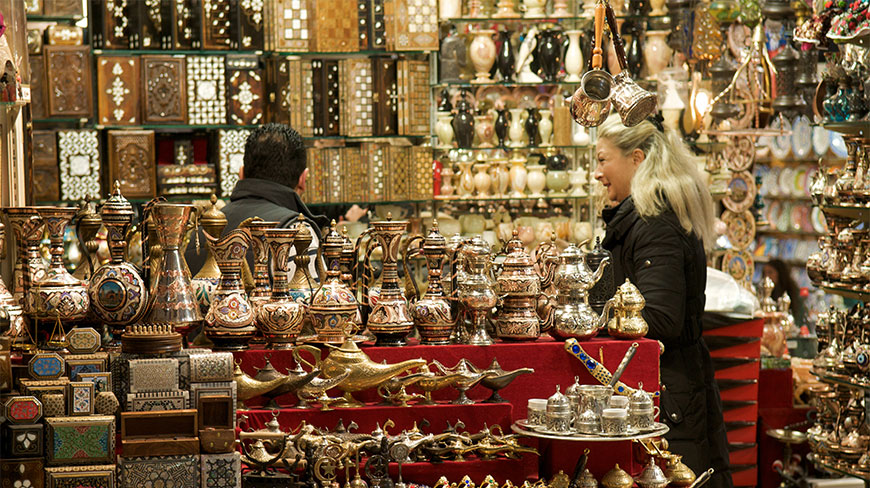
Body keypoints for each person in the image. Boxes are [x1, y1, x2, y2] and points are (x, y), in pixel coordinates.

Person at [594, 114, 732, 488]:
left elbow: (660, 317)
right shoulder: (644, 219)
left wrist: (593, 312)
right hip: (669, 393)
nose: (597, 172)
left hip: (668, 397)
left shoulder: (655, 224)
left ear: (636, 159)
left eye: (603, 159)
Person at [185, 124, 363, 277]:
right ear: (303, 179)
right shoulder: (297, 231)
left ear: (242, 173)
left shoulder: (200, 232)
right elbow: (318, 311)